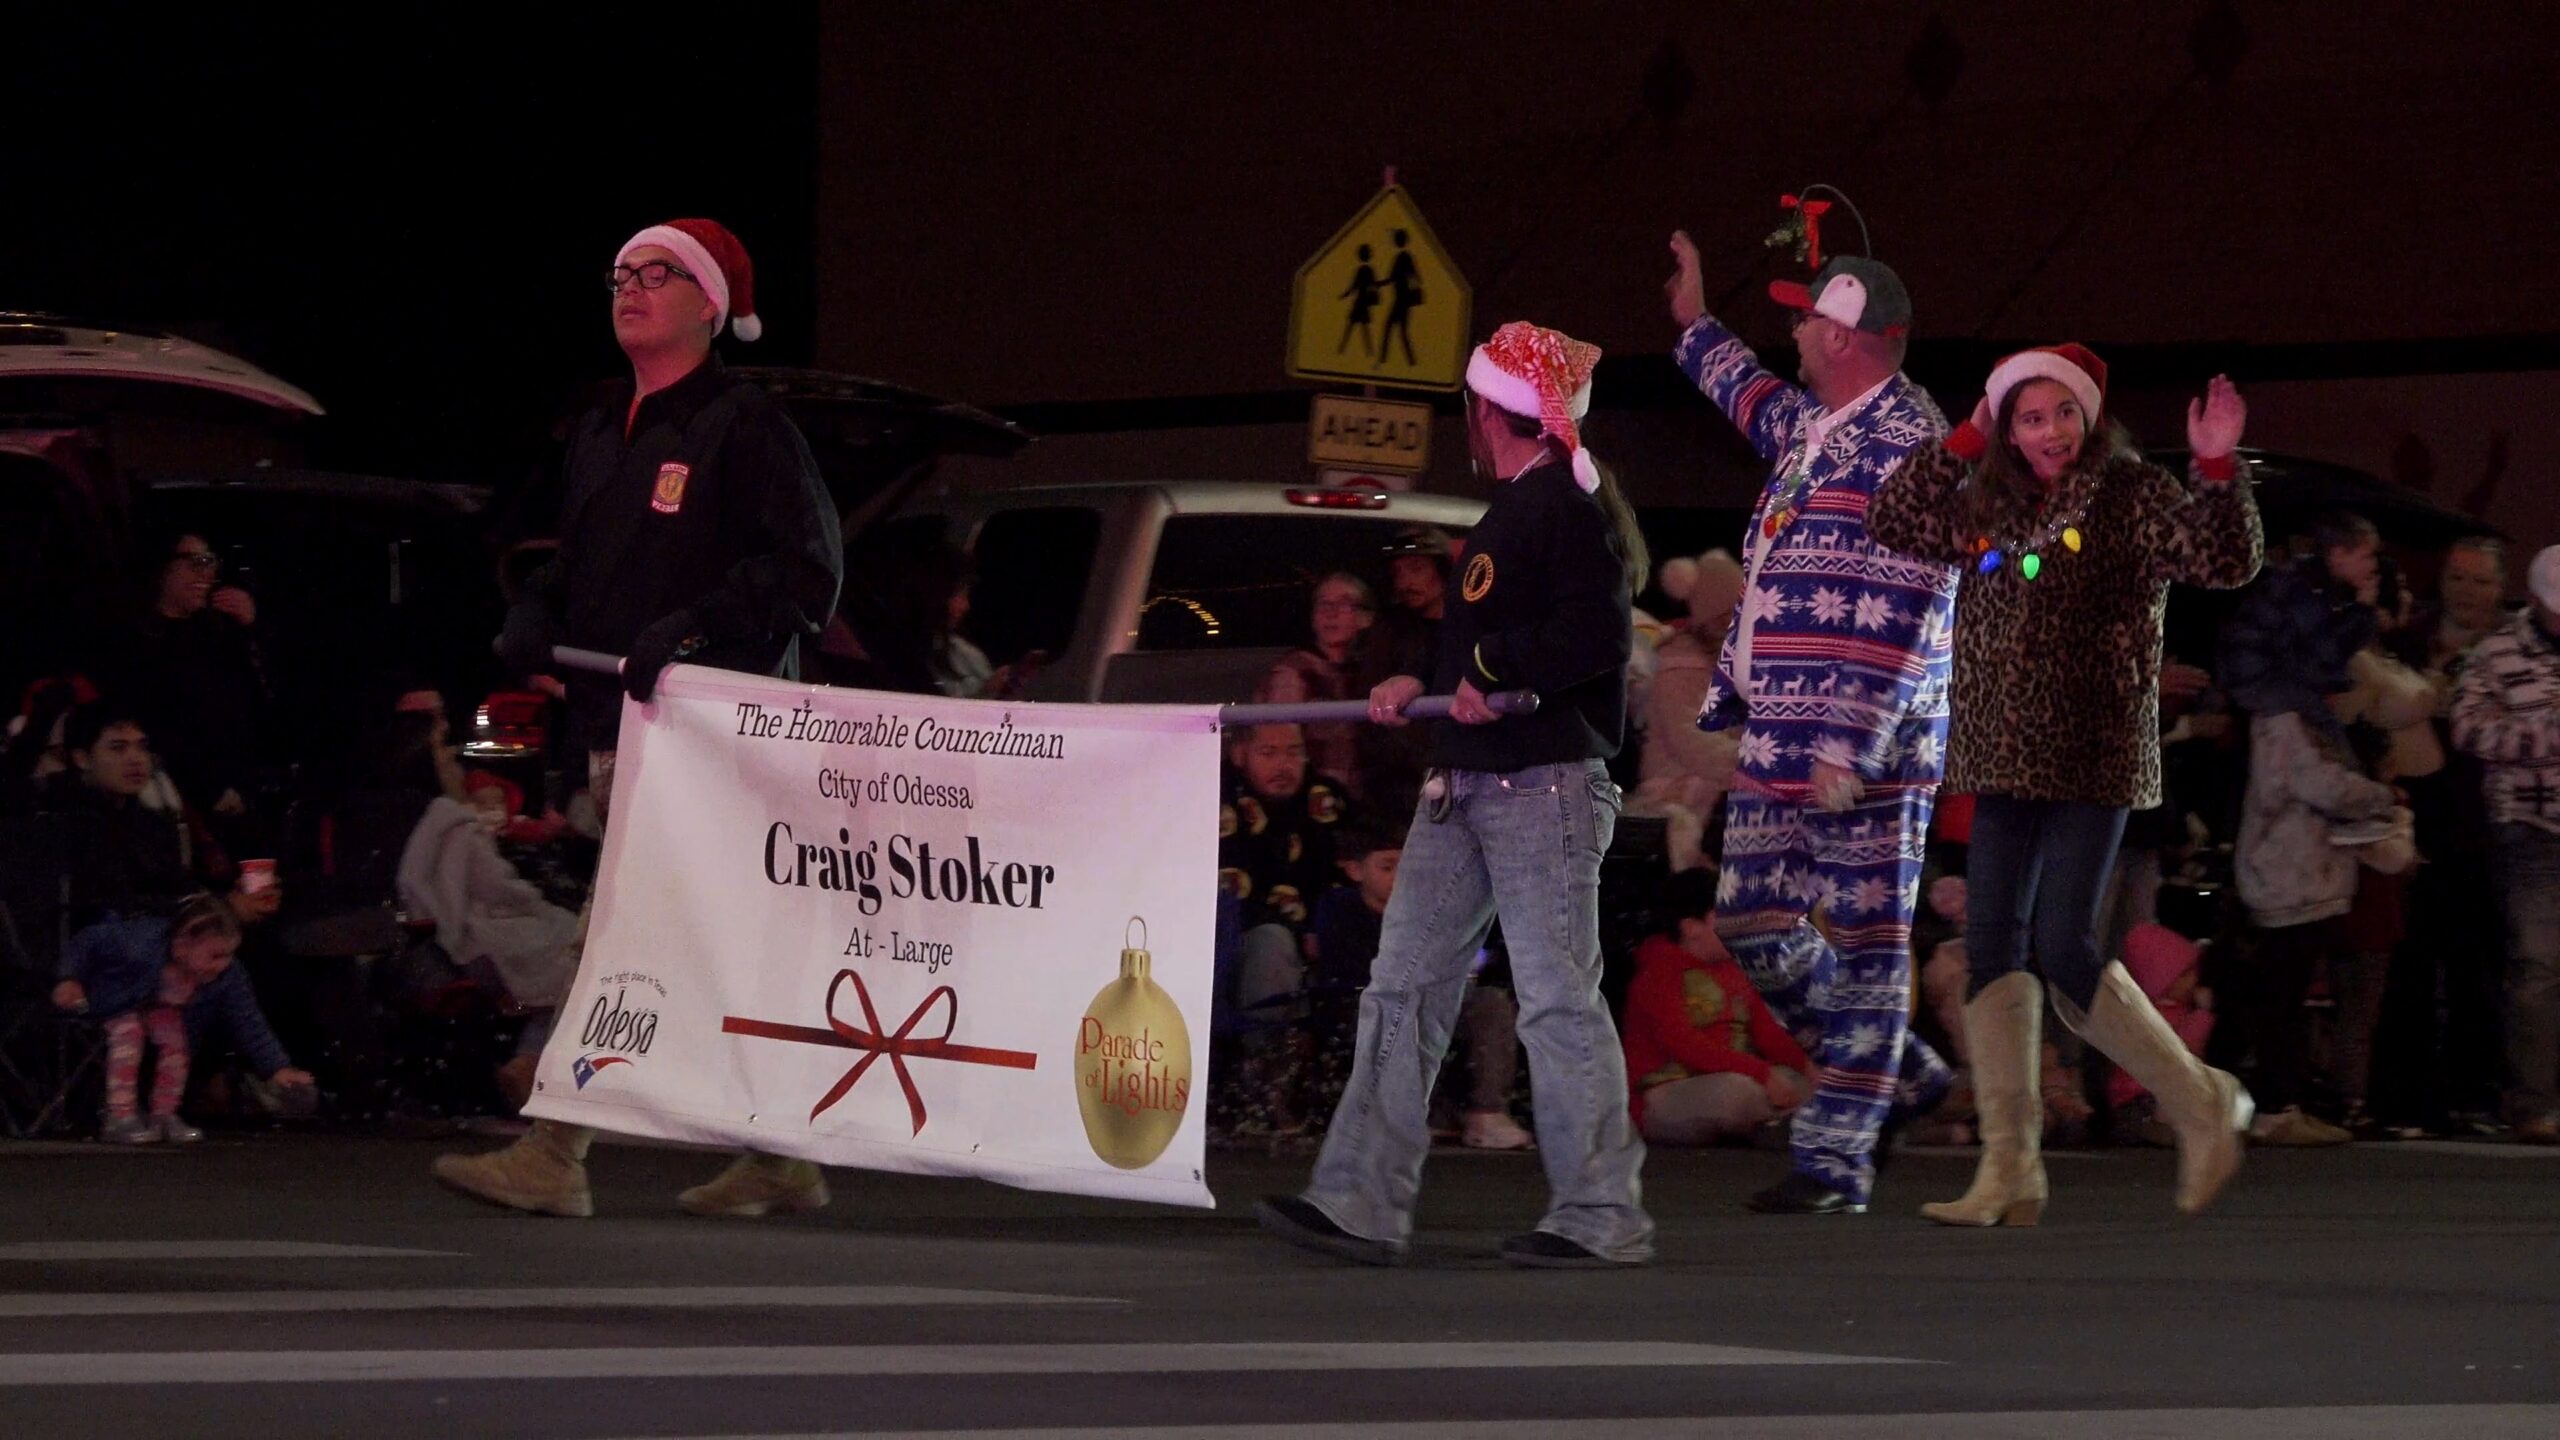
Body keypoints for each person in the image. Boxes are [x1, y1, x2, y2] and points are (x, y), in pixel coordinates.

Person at [435, 217, 844, 1220]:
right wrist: (539, 601)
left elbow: (805, 570)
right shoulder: (597, 430)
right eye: (620, 272)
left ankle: (555, 1148)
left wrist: (697, 632)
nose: (631, 287)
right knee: (709, 942)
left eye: (657, 274)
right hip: (626, 729)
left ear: (710, 305)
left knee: (621, 928)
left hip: (718, 738)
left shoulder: (744, 428)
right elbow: (586, 566)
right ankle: (782, 1155)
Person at [1258, 321, 1653, 1268]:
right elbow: (1495, 638)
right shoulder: (1531, 504)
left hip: (1540, 787)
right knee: (1403, 988)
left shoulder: (1561, 505)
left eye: (1469, 406)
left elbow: (1596, 637)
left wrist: (1488, 662)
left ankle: (1602, 1214)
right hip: (1469, 783)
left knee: (1557, 1000)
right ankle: (1359, 1198)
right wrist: (1420, 683)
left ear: (1490, 410)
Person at [1868, 348, 2265, 1220]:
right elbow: (1894, 517)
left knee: (2065, 944)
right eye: (2028, 417)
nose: (2047, 432)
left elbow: (2222, 559)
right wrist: (1964, 435)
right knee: (1991, 947)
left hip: (2093, 747)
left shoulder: (2127, 493)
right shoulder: (1991, 500)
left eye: (2061, 414)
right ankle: (2012, 1169)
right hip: (1999, 756)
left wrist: (2213, 466)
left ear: (2090, 420)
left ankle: (2203, 1104)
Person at [1663, 232, 1961, 1215]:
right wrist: (1692, 321)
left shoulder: (1910, 446)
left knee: (1872, 937)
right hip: (1780, 728)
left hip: (1863, 732)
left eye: (1803, 317)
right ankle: (1897, 1071)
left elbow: (1909, 605)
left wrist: (1851, 739)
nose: (1790, 330)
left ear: (1843, 335)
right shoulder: (1814, 426)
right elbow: (1743, 391)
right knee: (1750, 915)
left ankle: (1836, 1157)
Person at [2381, 536, 2511, 1134]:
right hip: (2419, 817)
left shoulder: (2516, 648)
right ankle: (2408, 1099)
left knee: (2477, 966)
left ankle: (2474, 1096)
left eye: (2480, 581)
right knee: (2409, 962)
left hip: (2491, 825)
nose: (2467, 591)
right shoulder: (2409, 639)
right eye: (2458, 578)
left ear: (2501, 588)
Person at [2449, 544, 2560, 1145]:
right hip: (2530, 829)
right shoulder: (2496, 654)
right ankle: (2534, 1103)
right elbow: (2466, 727)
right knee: (2539, 965)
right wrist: (2544, 734)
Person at [52, 892, 313, 1143]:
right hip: (113, 1000)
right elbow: (89, 939)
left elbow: (248, 1020)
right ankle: (119, 1116)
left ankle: (164, 1114)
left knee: (177, 1043)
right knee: (129, 1032)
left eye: (229, 955)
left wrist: (278, 1068)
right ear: (181, 946)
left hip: (158, 1009)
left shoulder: (227, 975)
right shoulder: (139, 943)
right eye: (215, 955)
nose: (223, 964)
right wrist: (69, 978)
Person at [1623, 869, 1814, 1146]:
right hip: (1668, 1092)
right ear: (1691, 927)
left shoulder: (1735, 968)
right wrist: (1761, 1073)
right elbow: (1684, 1044)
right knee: (1736, 1093)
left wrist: (1807, 1065)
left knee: (1815, 1084)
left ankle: (1781, 1125)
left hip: (1740, 1076)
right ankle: (1793, 1126)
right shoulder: (1657, 973)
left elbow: (1767, 1032)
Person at [101, 531, 272, 834]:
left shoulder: (218, 632)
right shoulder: (137, 642)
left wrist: (250, 628)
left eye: (210, 563)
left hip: (243, 792)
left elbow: (258, 702)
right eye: (196, 562)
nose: (207, 573)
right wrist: (209, 787)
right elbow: (153, 725)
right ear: (164, 569)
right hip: (177, 802)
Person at [1257, 574, 1377, 795]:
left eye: (1343, 603)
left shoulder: (1371, 671)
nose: (1330, 612)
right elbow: (1278, 751)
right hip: (1315, 805)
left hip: (1365, 805)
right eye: (1323, 604)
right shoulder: (1294, 672)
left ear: (1365, 617)